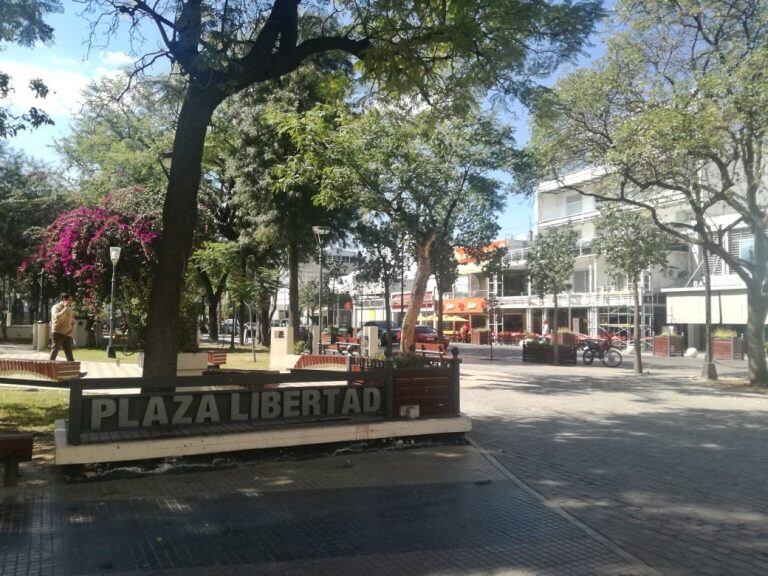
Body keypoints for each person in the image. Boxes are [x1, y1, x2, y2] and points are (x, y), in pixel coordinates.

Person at [49, 293, 75, 362]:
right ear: (64, 299)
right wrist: (65, 309)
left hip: (67, 334)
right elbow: (57, 317)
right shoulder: (56, 307)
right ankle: (49, 370)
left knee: (69, 354)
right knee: (54, 352)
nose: (71, 302)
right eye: (70, 300)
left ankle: (74, 372)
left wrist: (71, 330)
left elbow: (72, 321)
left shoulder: (70, 308)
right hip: (57, 333)